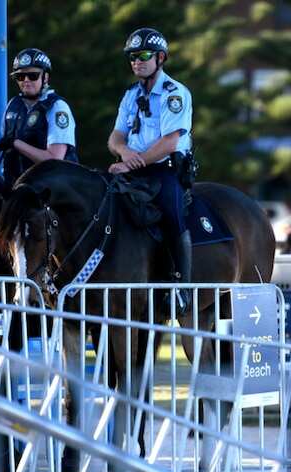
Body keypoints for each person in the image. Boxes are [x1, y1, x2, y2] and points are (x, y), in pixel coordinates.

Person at [107, 27, 194, 311]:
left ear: (160, 57)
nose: (137, 61)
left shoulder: (174, 93)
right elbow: (115, 137)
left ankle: (181, 288)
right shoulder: (131, 94)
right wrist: (124, 152)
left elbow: (170, 142)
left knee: (172, 214)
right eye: (132, 57)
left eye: (143, 55)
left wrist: (135, 160)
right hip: (133, 169)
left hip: (165, 171)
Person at [0, 47, 78, 189]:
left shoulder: (57, 107)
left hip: (53, 190)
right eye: (20, 77)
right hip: (17, 189)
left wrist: (16, 143)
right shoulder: (12, 106)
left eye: (32, 76)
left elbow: (54, 160)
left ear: (45, 77)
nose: (26, 81)